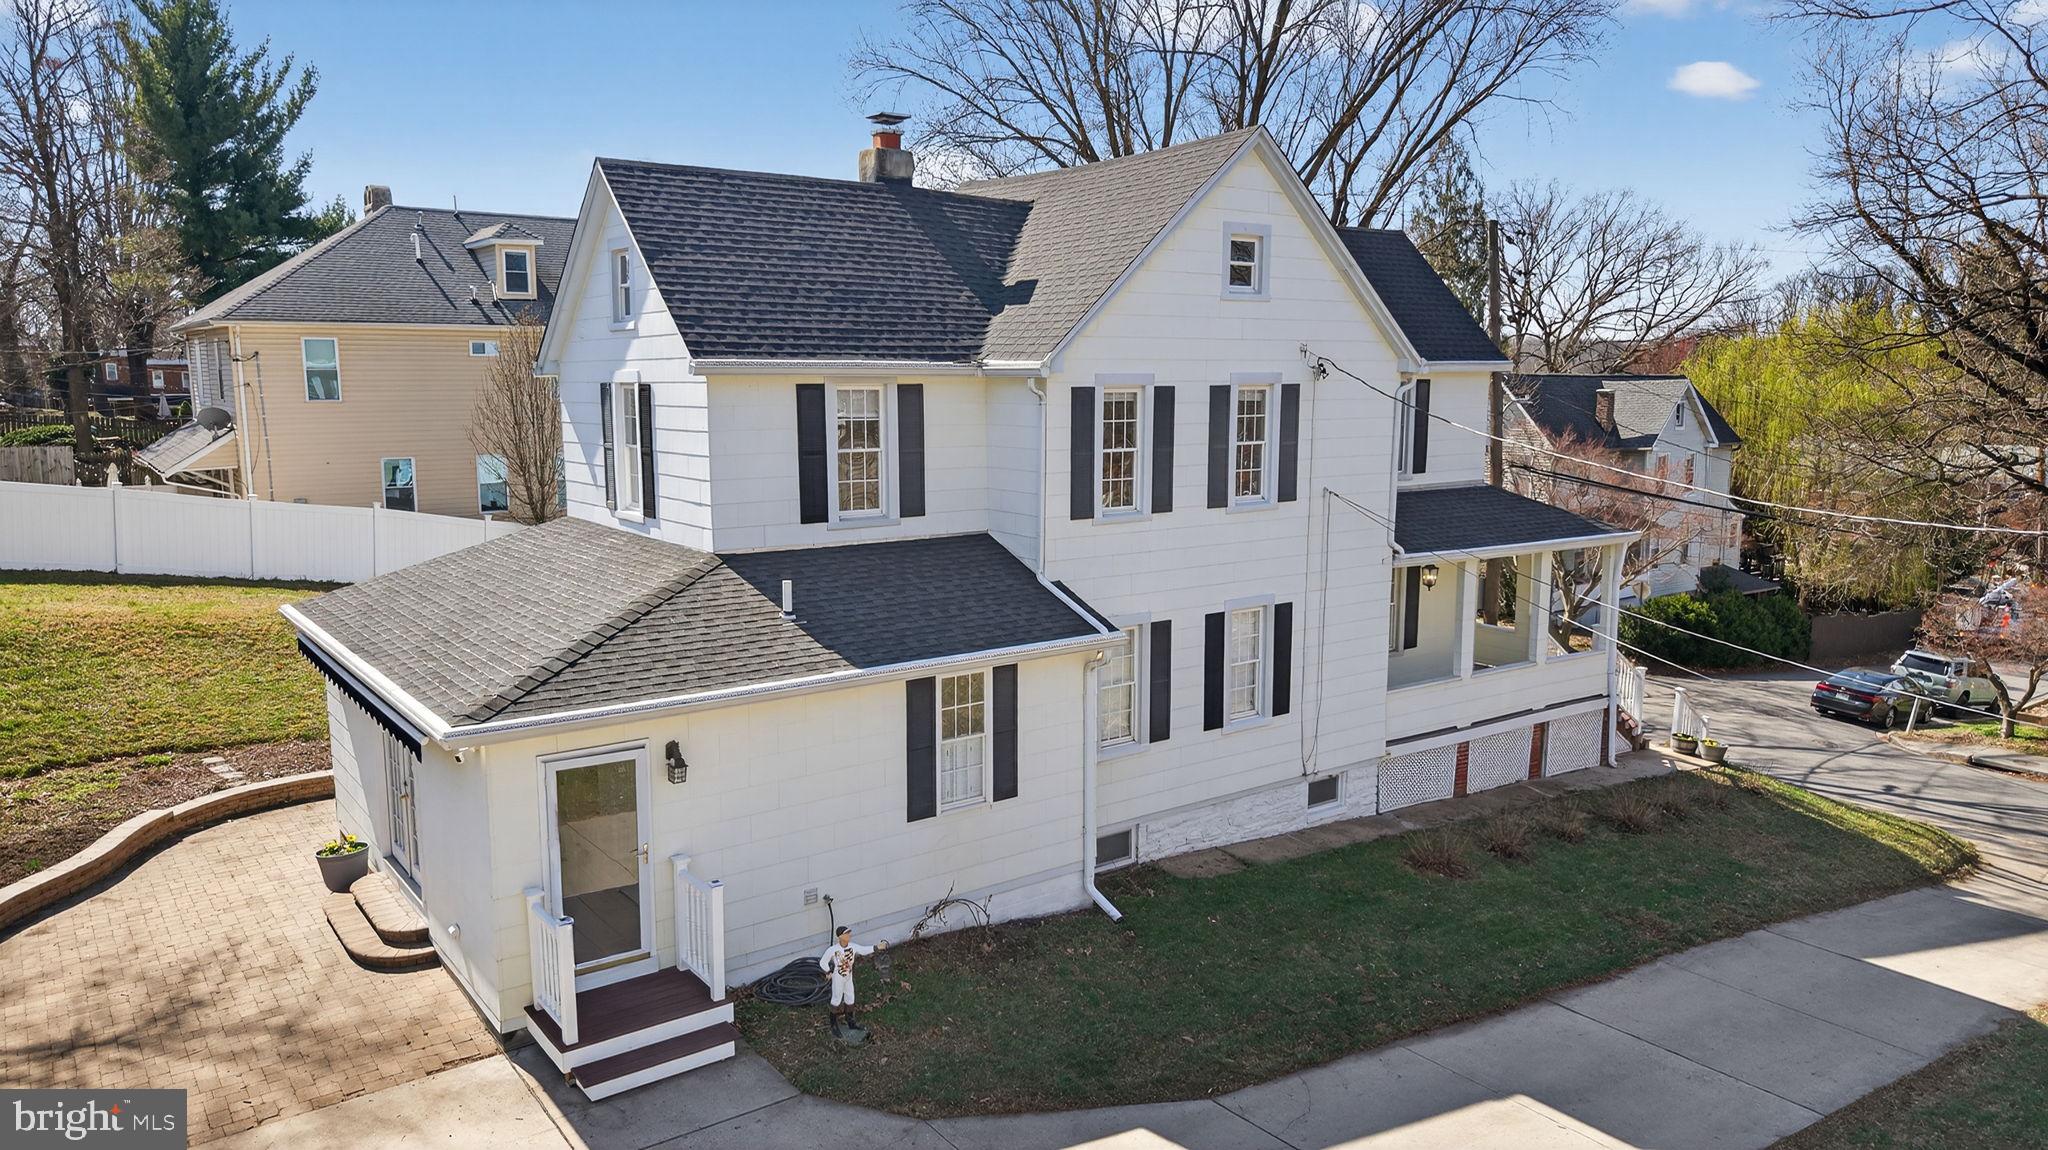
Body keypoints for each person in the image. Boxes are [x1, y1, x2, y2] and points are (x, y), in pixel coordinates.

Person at [819, 925, 887, 1034]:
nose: (849, 935)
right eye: (846, 934)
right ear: (840, 937)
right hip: (838, 977)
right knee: (836, 998)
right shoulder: (833, 950)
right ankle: (833, 1025)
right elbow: (823, 962)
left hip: (848, 977)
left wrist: (876, 947)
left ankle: (850, 1021)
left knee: (850, 997)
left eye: (848, 933)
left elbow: (863, 950)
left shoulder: (853, 946)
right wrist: (828, 972)